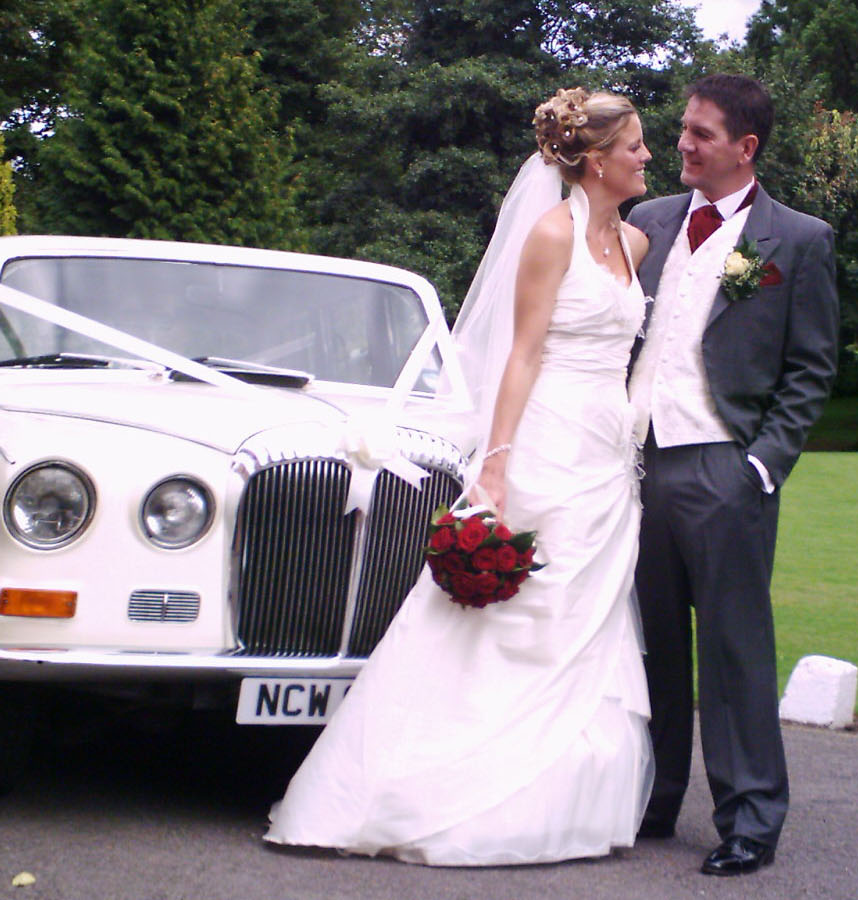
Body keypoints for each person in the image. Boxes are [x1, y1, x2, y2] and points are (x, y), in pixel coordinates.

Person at [263, 88, 656, 866]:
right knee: (514, 614)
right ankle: (422, 792)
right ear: (599, 159)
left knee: (587, 620)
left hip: (608, 459)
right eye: (638, 145)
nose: (649, 157)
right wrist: (497, 464)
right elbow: (523, 353)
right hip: (547, 439)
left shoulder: (637, 245)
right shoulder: (550, 235)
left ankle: (566, 802)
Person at [625, 73, 839, 876]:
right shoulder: (646, 221)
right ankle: (650, 797)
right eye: (682, 128)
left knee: (734, 649)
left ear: (745, 148)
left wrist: (761, 466)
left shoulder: (800, 240)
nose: (682, 143)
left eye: (701, 133)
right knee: (645, 643)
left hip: (725, 466)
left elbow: (811, 369)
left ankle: (750, 818)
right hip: (634, 466)